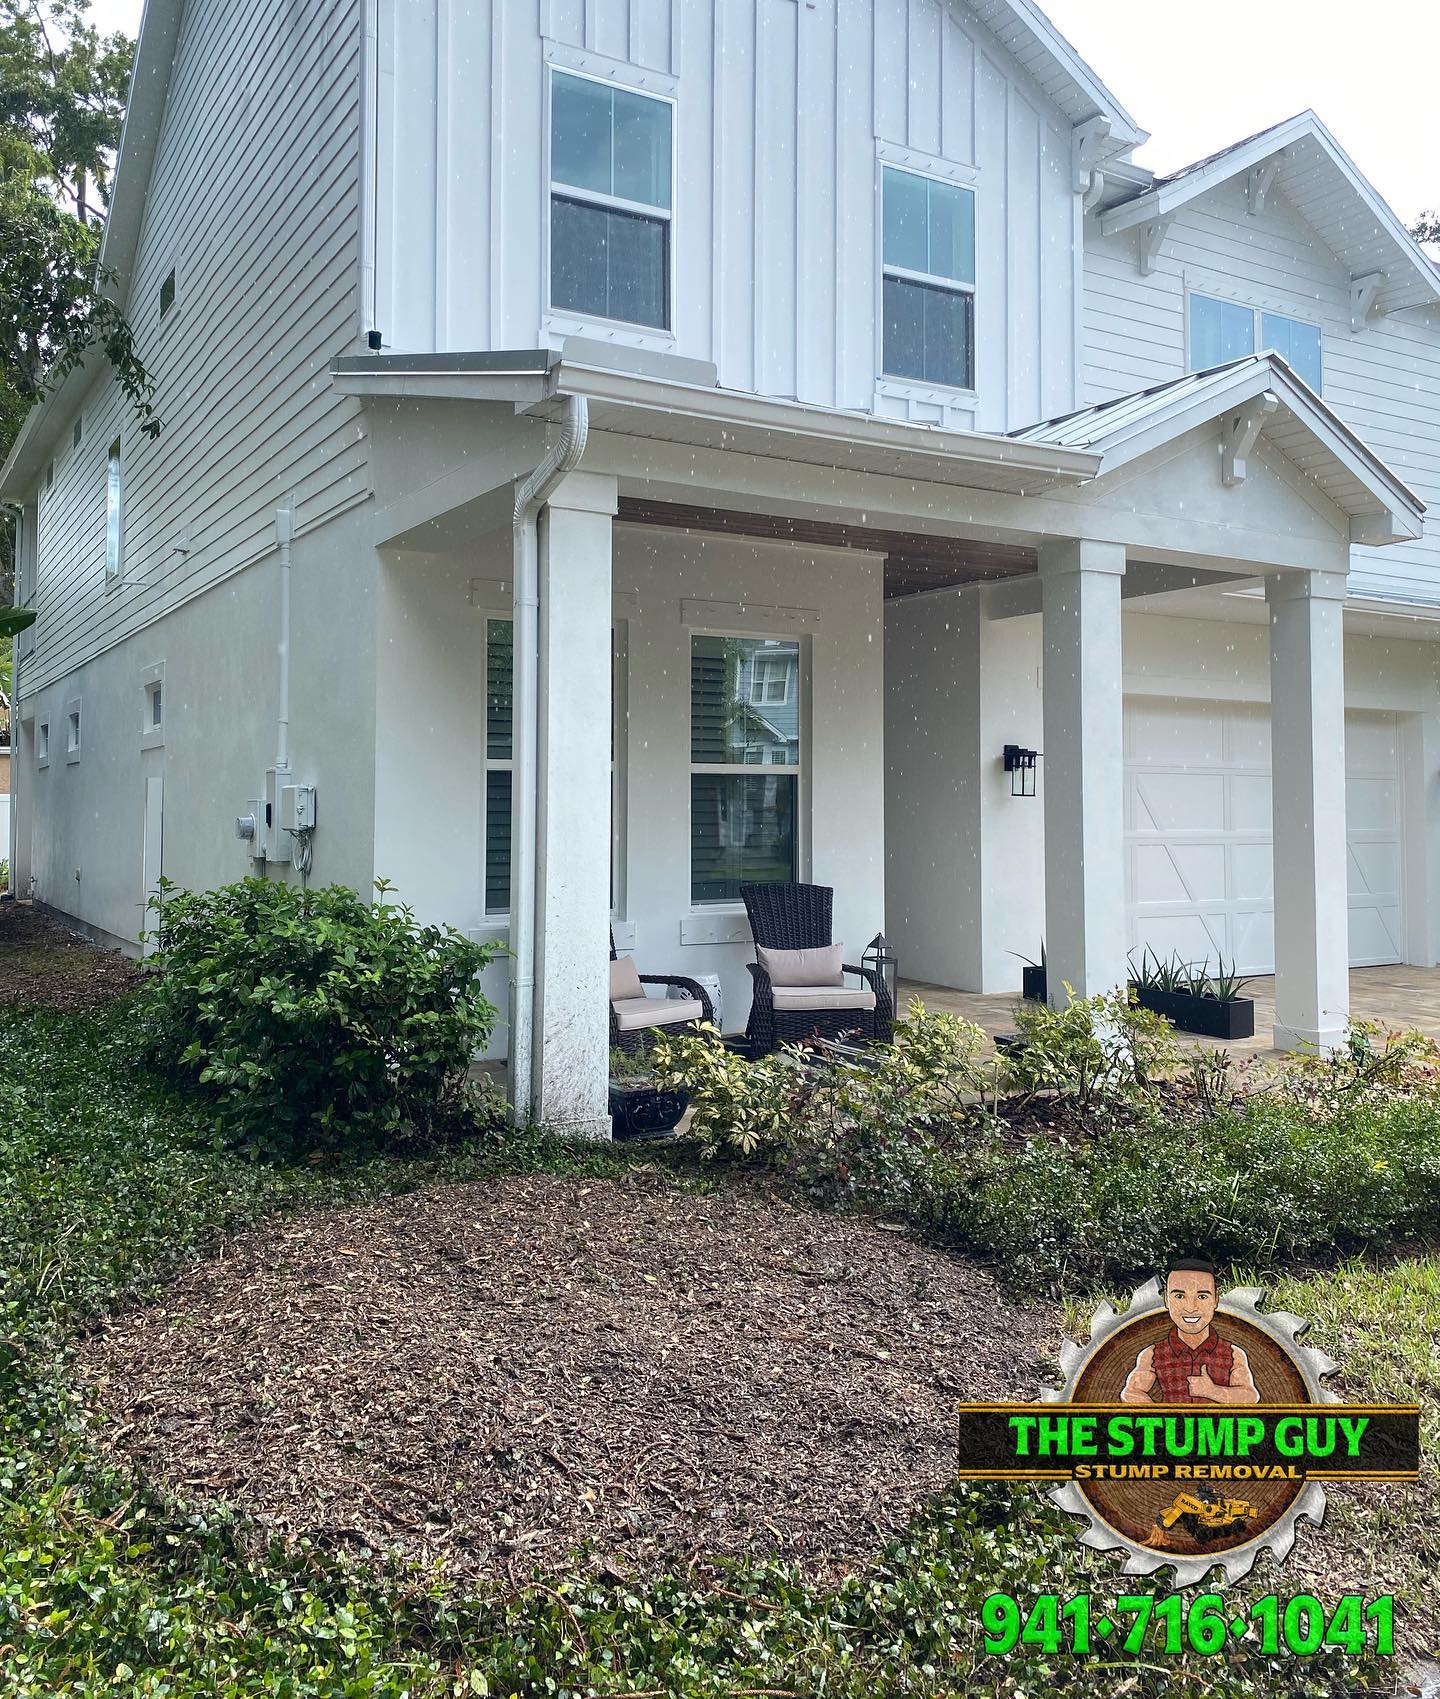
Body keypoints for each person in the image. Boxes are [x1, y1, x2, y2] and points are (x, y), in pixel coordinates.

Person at [1120, 1257, 1260, 1405]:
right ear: (1167, 1300)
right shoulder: (1152, 1354)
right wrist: (1163, 1419)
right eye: (1179, 1296)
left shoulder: (1233, 1354)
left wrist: (1212, 1391)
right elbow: (1131, 1392)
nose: (1190, 1307)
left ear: (1215, 1300)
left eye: (1202, 1296)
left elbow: (1250, 1396)